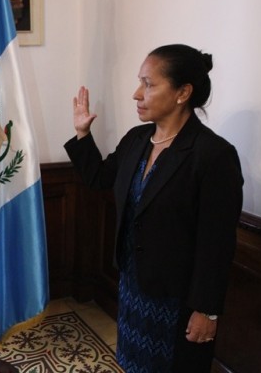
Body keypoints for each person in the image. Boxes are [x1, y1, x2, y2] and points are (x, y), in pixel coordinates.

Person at [64, 44, 243, 372]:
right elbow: (100, 178)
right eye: (140, 82)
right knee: (133, 362)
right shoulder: (137, 139)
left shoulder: (212, 155)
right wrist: (82, 133)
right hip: (134, 286)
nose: (137, 94)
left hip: (178, 300)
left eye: (148, 84)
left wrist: (207, 310)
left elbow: (216, 243)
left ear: (182, 92)